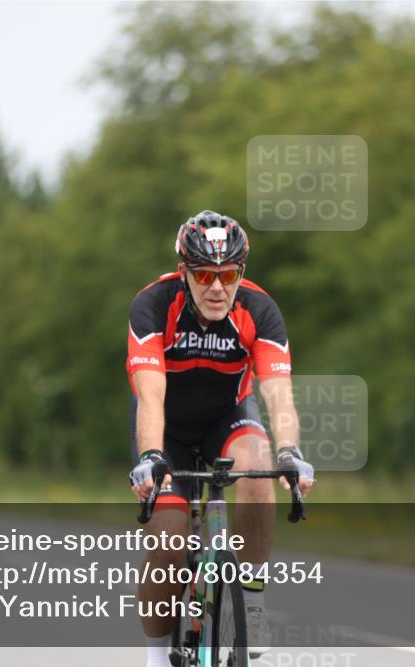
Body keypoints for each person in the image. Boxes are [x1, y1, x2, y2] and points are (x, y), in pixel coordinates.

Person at [128, 210, 315, 666]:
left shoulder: (260, 310)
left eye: (228, 275)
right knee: (168, 542)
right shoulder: (153, 305)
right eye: (204, 275)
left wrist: (291, 452)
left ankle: (251, 602)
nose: (217, 287)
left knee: (259, 465)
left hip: (227, 420)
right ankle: (156, 658)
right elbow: (150, 395)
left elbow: (278, 394)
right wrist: (151, 455)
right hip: (167, 429)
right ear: (184, 272)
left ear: (241, 273)